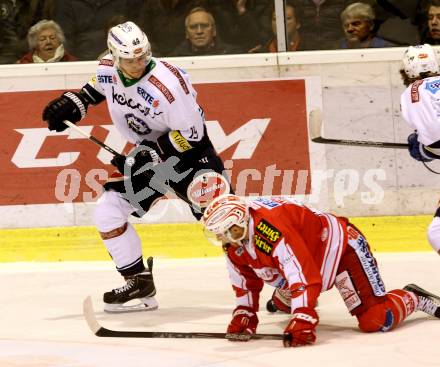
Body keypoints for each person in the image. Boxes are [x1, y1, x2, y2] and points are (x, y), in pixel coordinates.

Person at [41, 21, 231, 312]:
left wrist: (151, 154)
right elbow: (96, 88)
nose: (138, 64)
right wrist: (74, 102)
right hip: (149, 156)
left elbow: (192, 135)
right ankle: (138, 282)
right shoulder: (108, 68)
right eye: (130, 60)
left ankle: (282, 284)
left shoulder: (168, 84)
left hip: (189, 156)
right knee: (108, 210)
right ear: (115, 57)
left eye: (143, 57)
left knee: (227, 223)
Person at [202, 194, 440, 346]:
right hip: (306, 254)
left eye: (228, 232)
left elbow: (303, 274)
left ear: (241, 222)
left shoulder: (271, 229)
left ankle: (415, 298)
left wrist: (304, 315)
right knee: (290, 289)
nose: (225, 239)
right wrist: (245, 311)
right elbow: (243, 276)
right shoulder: (235, 238)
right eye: (219, 234)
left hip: (339, 251)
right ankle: (286, 299)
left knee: (376, 320)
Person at [400, 44, 440, 163]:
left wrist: (420, 141)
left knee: (415, 144)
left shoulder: (412, 91)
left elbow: (429, 128)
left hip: (437, 141)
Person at [170, 7, 241, 56]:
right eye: (193, 27)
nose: (199, 31)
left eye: (205, 26)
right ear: (186, 33)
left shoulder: (232, 54)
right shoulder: (175, 58)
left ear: (214, 31)